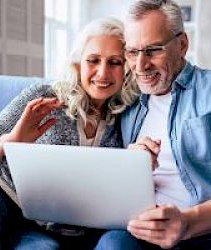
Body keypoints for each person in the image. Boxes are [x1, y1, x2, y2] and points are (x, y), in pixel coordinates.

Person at [0, 17, 139, 250]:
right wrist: (12, 140)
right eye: (93, 60)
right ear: (78, 65)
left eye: (115, 62)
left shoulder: (128, 115)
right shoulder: (45, 97)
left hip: (47, 219)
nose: (103, 73)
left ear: (126, 68)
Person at [95, 0, 211, 250]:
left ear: (182, 44)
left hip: (201, 230)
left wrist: (188, 223)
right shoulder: (125, 98)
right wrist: (130, 164)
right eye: (132, 52)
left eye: (153, 50)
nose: (140, 66)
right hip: (139, 229)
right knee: (112, 244)